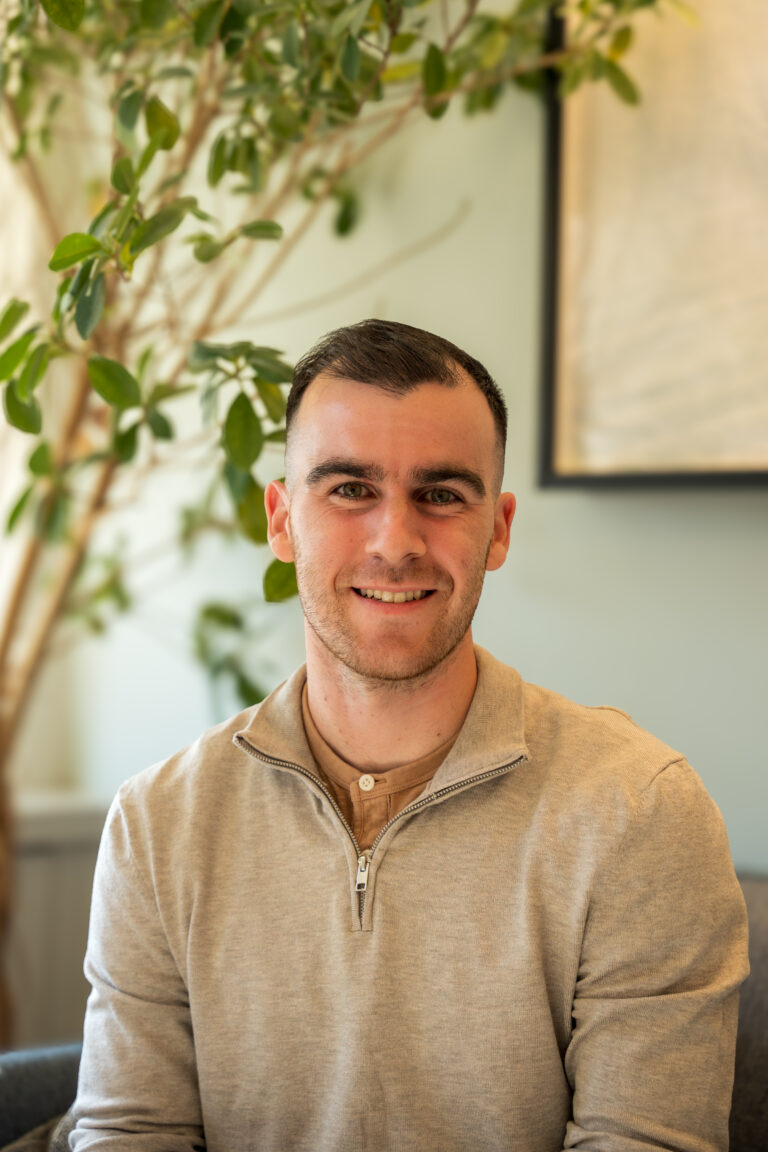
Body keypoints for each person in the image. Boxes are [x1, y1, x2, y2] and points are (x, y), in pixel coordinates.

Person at [71, 319, 748, 1152]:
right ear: (281, 521)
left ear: (498, 529)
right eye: (350, 489)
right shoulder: (157, 824)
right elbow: (129, 1133)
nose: (395, 541)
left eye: (442, 494)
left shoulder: (640, 812)